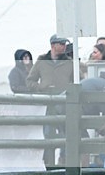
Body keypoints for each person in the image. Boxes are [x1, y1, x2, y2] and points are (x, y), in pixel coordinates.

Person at [27, 35, 74, 165]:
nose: (64, 46)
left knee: (67, 133)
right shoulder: (41, 61)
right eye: (61, 44)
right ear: (53, 45)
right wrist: (40, 88)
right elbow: (30, 81)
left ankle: (64, 162)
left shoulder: (70, 62)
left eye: (65, 44)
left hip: (65, 103)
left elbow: (77, 81)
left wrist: (69, 91)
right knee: (48, 133)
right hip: (47, 104)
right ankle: (48, 164)